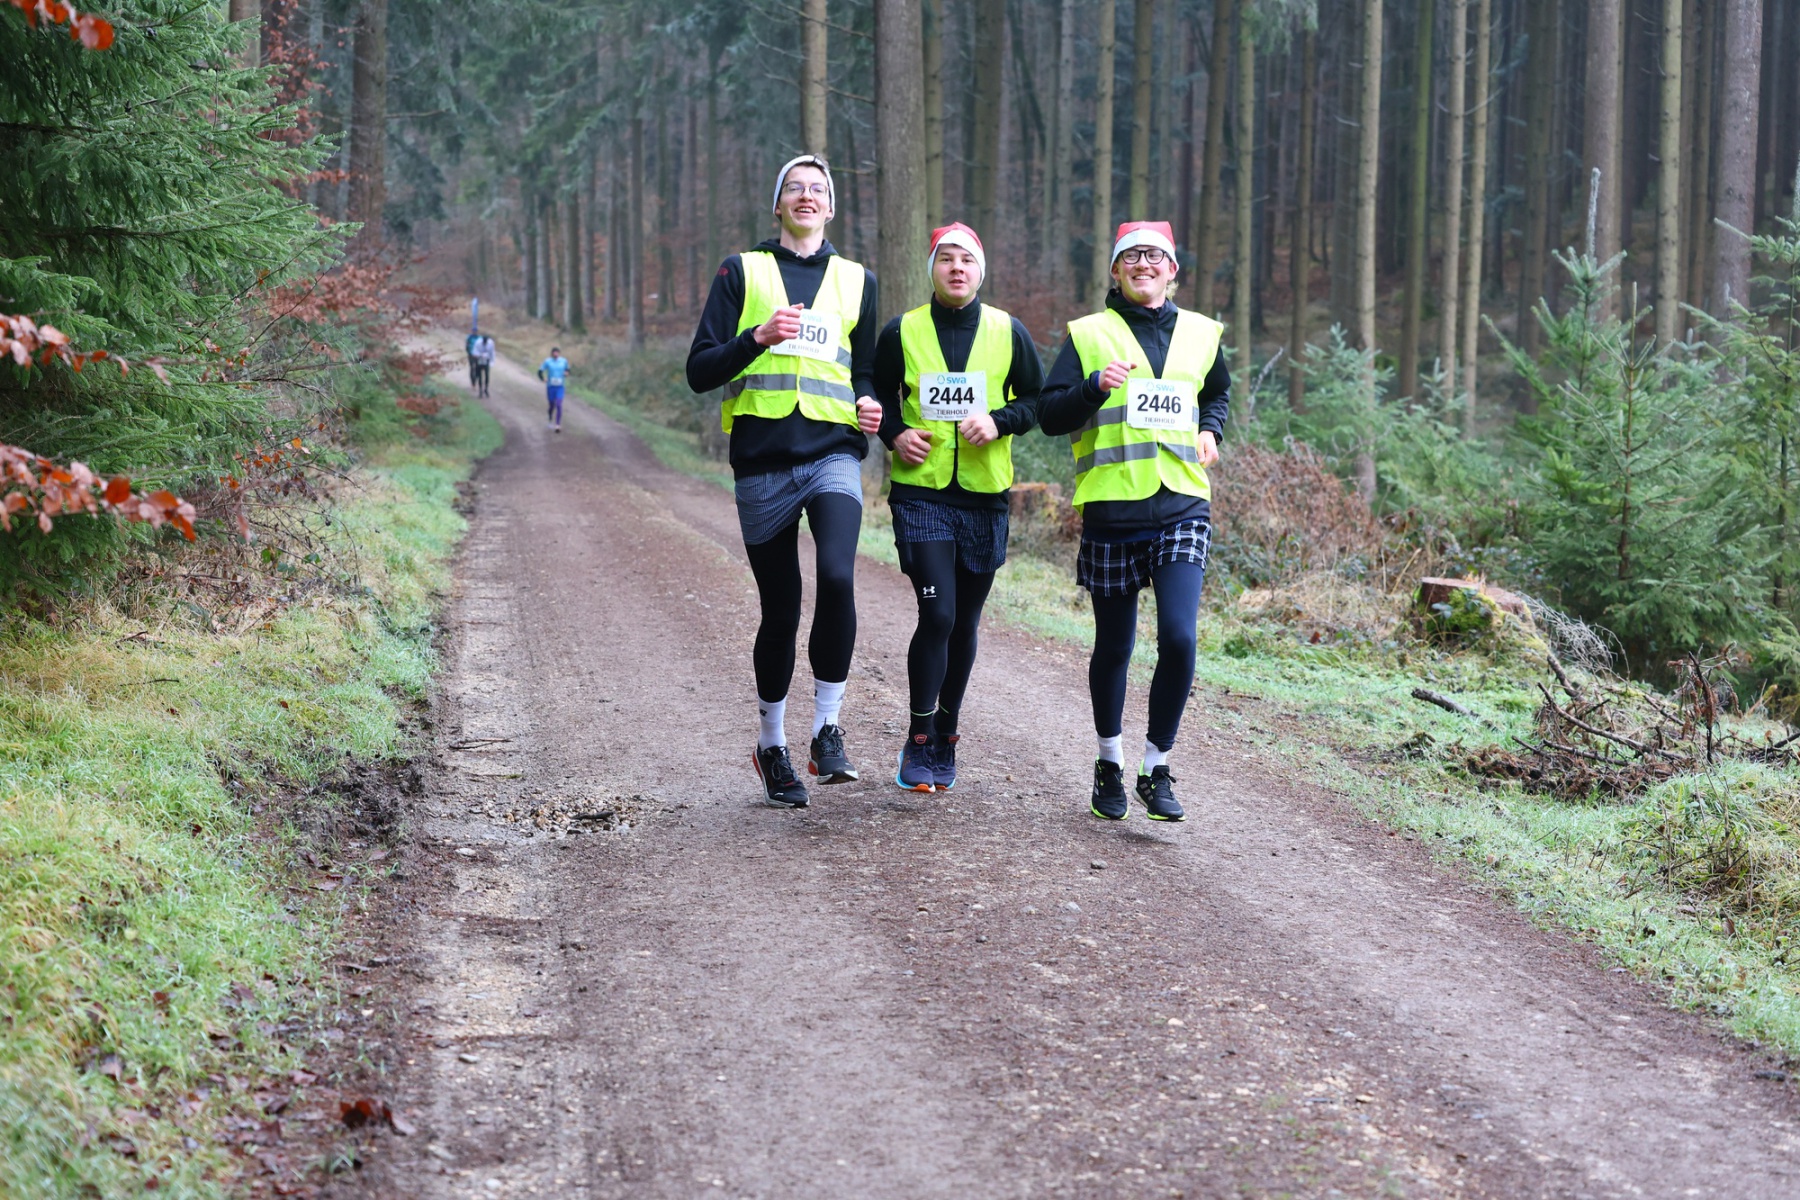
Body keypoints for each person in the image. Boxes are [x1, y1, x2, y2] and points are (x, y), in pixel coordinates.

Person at [685, 154, 883, 809]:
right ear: (778, 204)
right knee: (782, 607)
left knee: (838, 576)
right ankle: (771, 744)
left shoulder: (858, 280)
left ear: (831, 207)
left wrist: (870, 402)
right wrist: (756, 337)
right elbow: (699, 370)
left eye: (817, 189)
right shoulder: (741, 271)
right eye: (794, 187)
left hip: (833, 453)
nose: (805, 196)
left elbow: (865, 369)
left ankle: (827, 728)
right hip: (763, 457)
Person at [1037, 221, 1229, 823]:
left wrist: (1210, 430)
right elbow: (1049, 414)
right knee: (1115, 646)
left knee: (1180, 637)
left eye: (1155, 256)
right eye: (1132, 256)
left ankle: (1157, 766)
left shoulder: (1201, 333)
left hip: (1182, 505)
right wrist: (1093, 387)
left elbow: (1216, 394)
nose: (1144, 264)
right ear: (1115, 271)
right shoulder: (1088, 334)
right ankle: (1109, 762)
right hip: (1112, 509)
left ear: (1173, 270)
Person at [873, 223, 1043, 792]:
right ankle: (919, 738)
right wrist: (894, 433)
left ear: (979, 271)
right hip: (921, 493)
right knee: (938, 614)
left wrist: (998, 421)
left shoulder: (1007, 330)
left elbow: (1038, 400)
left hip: (984, 495)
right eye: (946, 259)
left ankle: (947, 733)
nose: (956, 268)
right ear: (933, 269)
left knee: (965, 621)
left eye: (966, 260)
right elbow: (872, 387)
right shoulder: (902, 330)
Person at [537, 346, 569, 432]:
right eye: (554, 353)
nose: (556, 354)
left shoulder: (564, 361)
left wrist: (566, 373)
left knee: (558, 404)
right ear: (552, 354)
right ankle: (550, 418)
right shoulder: (548, 361)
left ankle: (558, 425)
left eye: (557, 353)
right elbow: (540, 371)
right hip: (551, 387)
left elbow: (567, 369)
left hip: (560, 387)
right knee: (552, 405)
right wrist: (542, 379)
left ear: (559, 353)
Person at [473, 333, 494, 399]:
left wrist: (491, 362)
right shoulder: (478, 343)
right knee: (480, 376)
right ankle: (480, 391)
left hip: (486, 360)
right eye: (484, 341)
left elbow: (492, 353)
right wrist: (479, 355)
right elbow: (474, 351)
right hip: (479, 360)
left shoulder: (490, 344)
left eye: (486, 341)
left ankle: (486, 389)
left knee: (487, 375)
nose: (485, 343)